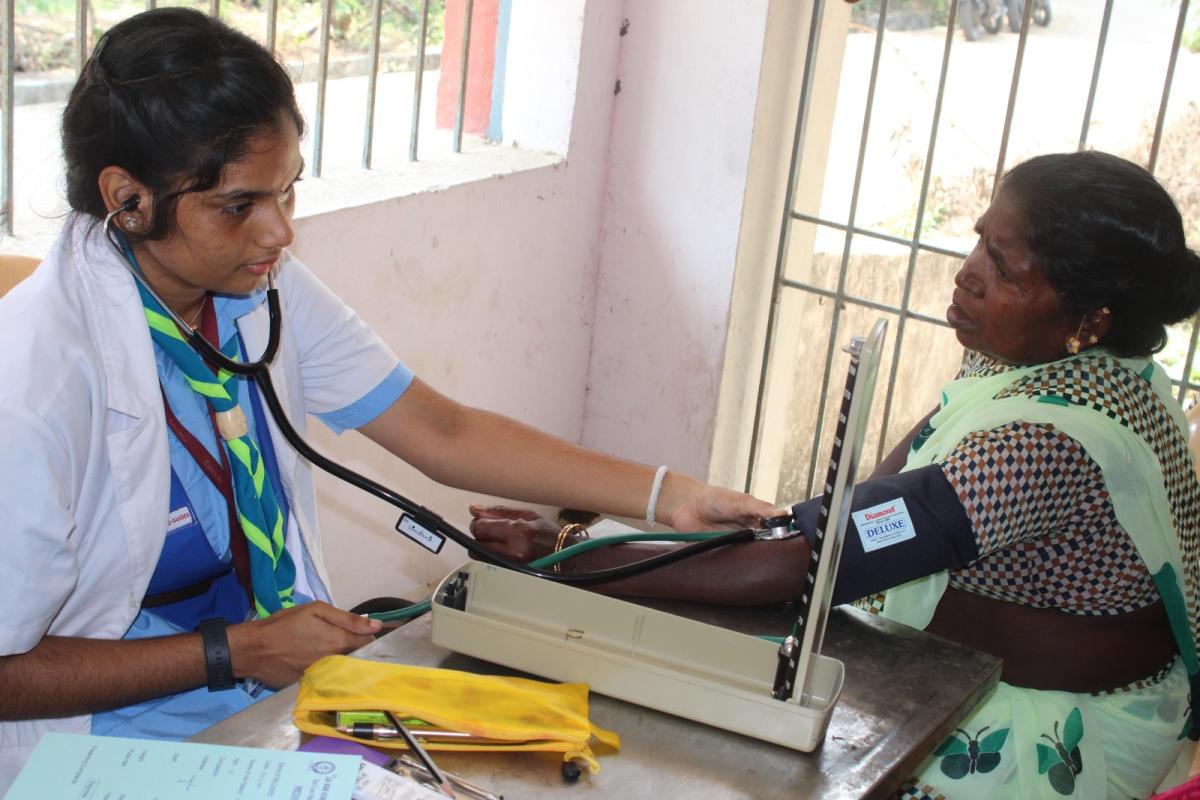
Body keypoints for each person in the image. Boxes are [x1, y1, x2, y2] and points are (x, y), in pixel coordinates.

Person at [0, 8, 777, 790]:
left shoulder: (255, 289)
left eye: (288, 192)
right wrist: (234, 652)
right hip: (99, 755)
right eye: (239, 206)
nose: (279, 233)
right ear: (129, 199)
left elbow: (443, 431)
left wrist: (671, 496)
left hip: (262, 709)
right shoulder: (34, 381)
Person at [470, 150, 1200, 799]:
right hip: (997, 663)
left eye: (1003, 269)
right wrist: (798, 537)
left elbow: (816, 561)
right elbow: (865, 515)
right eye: (981, 239)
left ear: (1089, 321)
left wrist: (573, 554)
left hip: (1057, 727)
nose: (968, 273)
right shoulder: (1069, 365)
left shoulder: (1045, 442)